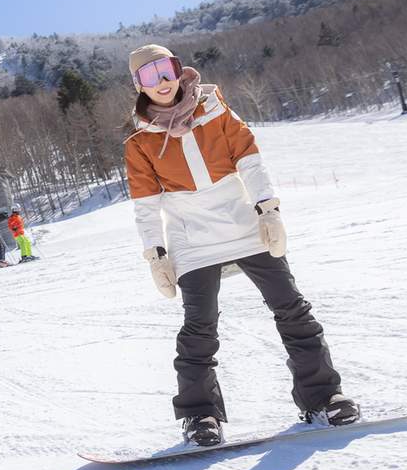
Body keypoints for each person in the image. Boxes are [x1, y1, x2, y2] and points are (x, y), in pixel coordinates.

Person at [123, 44, 359, 446]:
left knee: (291, 307)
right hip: (191, 234)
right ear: (138, 86)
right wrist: (156, 254)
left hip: (242, 222)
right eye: (149, 76)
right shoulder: (139, 142)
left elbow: (250, 161)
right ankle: (200, 416)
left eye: (166, 70)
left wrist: (268, 210)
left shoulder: (216, 112)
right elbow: (146, 205)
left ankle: (321, 397)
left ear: (179, 71)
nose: (161, 82)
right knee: (200, 326)